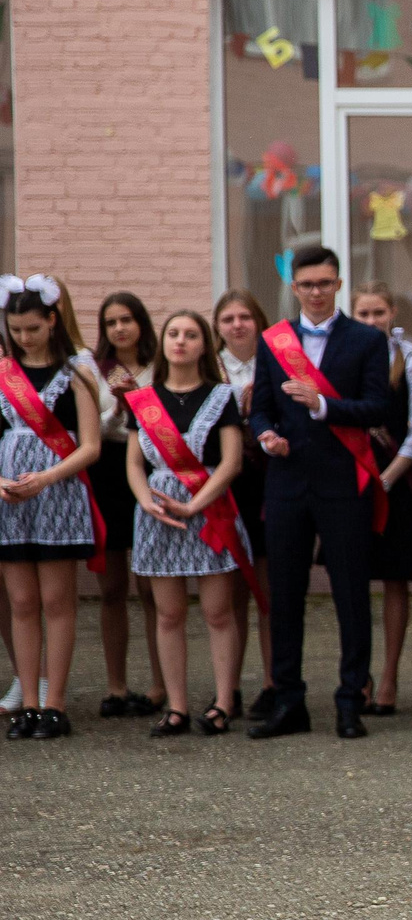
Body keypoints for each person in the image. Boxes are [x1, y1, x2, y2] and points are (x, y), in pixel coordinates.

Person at [248, 245, 393, 742]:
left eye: (325, 283)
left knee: (351, 594)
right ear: (294, 288)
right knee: (284, 595)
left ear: (338, 284)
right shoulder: (274, 342)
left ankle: (351, 700)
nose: (315, 291)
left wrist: (324, 406)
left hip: (340, 481)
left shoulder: (367, 341)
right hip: (288, 481)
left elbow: (377, 408)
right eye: (307, 284)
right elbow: (261, 409)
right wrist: (266, 436)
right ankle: (288, 700)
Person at [126, 309, 251, 737]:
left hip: (209, 511)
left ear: (204, 345)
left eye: (192, 334)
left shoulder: (222, 396)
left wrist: (194, 505)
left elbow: (231, 462)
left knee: (218, 612)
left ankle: (222, 702)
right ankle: (177, 707)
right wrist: (148, 503)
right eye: (173, 333)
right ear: (162, 343)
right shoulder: (143, 400)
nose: (181, 341)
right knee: (168, 614)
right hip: (159, 515)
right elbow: (133, 464)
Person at [0, 275, 101, 741]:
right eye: (16, 329)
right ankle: (30, 703)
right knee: (21, 601)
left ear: (52, 321)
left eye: (32, 329)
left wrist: (46, 477)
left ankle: (54, 703)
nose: (23, 337)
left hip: (58, 494)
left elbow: (91, 446)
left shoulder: (76, 371)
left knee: (57, 601)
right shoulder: (2, 372)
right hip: (9, 499)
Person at [350, 283, 412, 717]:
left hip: (395, 480)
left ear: (392, 312)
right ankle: (357, 675)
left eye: (378, 313)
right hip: (352, 481)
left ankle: (389, 678)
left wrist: (388, 477)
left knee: (395, 579)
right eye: (362, 314)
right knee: (354, 580)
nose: (370, 322)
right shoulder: (343, 358)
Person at [92, 291, 172, 722]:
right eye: (110, 322)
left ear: (141, 322)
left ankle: (160, 685)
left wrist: (139, 400)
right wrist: (118, 407)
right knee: (111, 589)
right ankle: (116, 685)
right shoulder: (95, 370)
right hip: (105, 472)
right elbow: (91, 427)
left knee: (150, 588)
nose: (119, 328)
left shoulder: (160, 367)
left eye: (126, 319)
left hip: (145, 471)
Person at [214, 290, 278, 716]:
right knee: (231, 592)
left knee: (269, 590)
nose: (237, 325)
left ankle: (274, 683)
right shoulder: (209, 368)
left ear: (259, 321)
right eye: (227, 318)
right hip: (223, 486)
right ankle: (229, 688)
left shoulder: (276, 363)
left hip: (269, 483)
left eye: (245, 316)